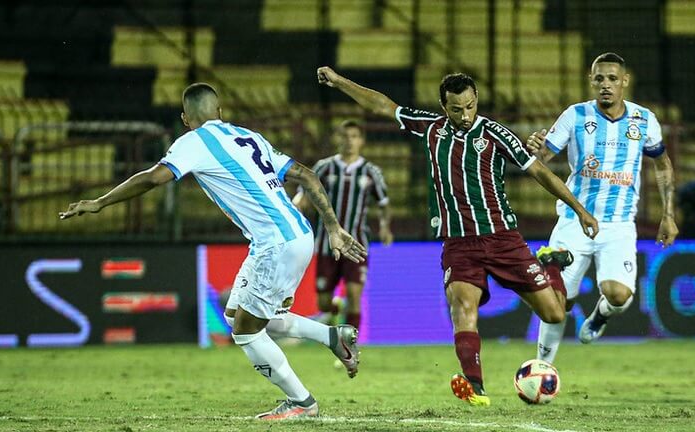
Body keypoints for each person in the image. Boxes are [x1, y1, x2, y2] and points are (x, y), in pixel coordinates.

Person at [59, 83, 367, 420]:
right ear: (220, 112)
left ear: (185, 118)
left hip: (276, 244)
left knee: (246, 331)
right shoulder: (249, 136)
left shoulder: (193, 141)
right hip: (292, 235)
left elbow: (152, 178)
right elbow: (307, 176)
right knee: (238, 315)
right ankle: (332, 335)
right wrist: (333, 228)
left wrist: (100, 202)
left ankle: (302, 403)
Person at [317, 66, 599, 406]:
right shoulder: (431, 128)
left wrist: (581, 210)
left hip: (502, 239)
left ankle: (550, 264)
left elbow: (539, 172)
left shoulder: (496, 135)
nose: (465, 115)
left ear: (476, 100)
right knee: (462, 308)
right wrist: (340, 81)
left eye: (469, 106)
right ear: (443, 106)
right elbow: (381, 105)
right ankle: (475, 385)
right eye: (456, 109)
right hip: (458, 243)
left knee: (554, 314)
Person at [525, 52, 679, 364]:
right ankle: (543, 367)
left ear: (625, 81)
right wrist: (533, 148)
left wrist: (668, 213)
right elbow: (541, 160)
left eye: (612, 78)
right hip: (574, 220)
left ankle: (600, 315)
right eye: (599, 79)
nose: (605, 85)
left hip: (619, 224)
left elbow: (662, 164)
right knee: (556, 301)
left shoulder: (644, 120)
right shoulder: (575, 116)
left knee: (619, 295)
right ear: (591, 82)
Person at [293, 120, 393, 329]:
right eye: (345, 136)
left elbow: (383, 203)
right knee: (323, 302)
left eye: (354, 136)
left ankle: (350, 344)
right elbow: (303, 193)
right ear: (337, 139)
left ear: (361, 141)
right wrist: (297, 206)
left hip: (357, 244)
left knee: (355, 295)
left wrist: (384, 226)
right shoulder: (324, 167)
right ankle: (334, 312)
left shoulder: (370, 172)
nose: (349, 141)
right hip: (327, 244)